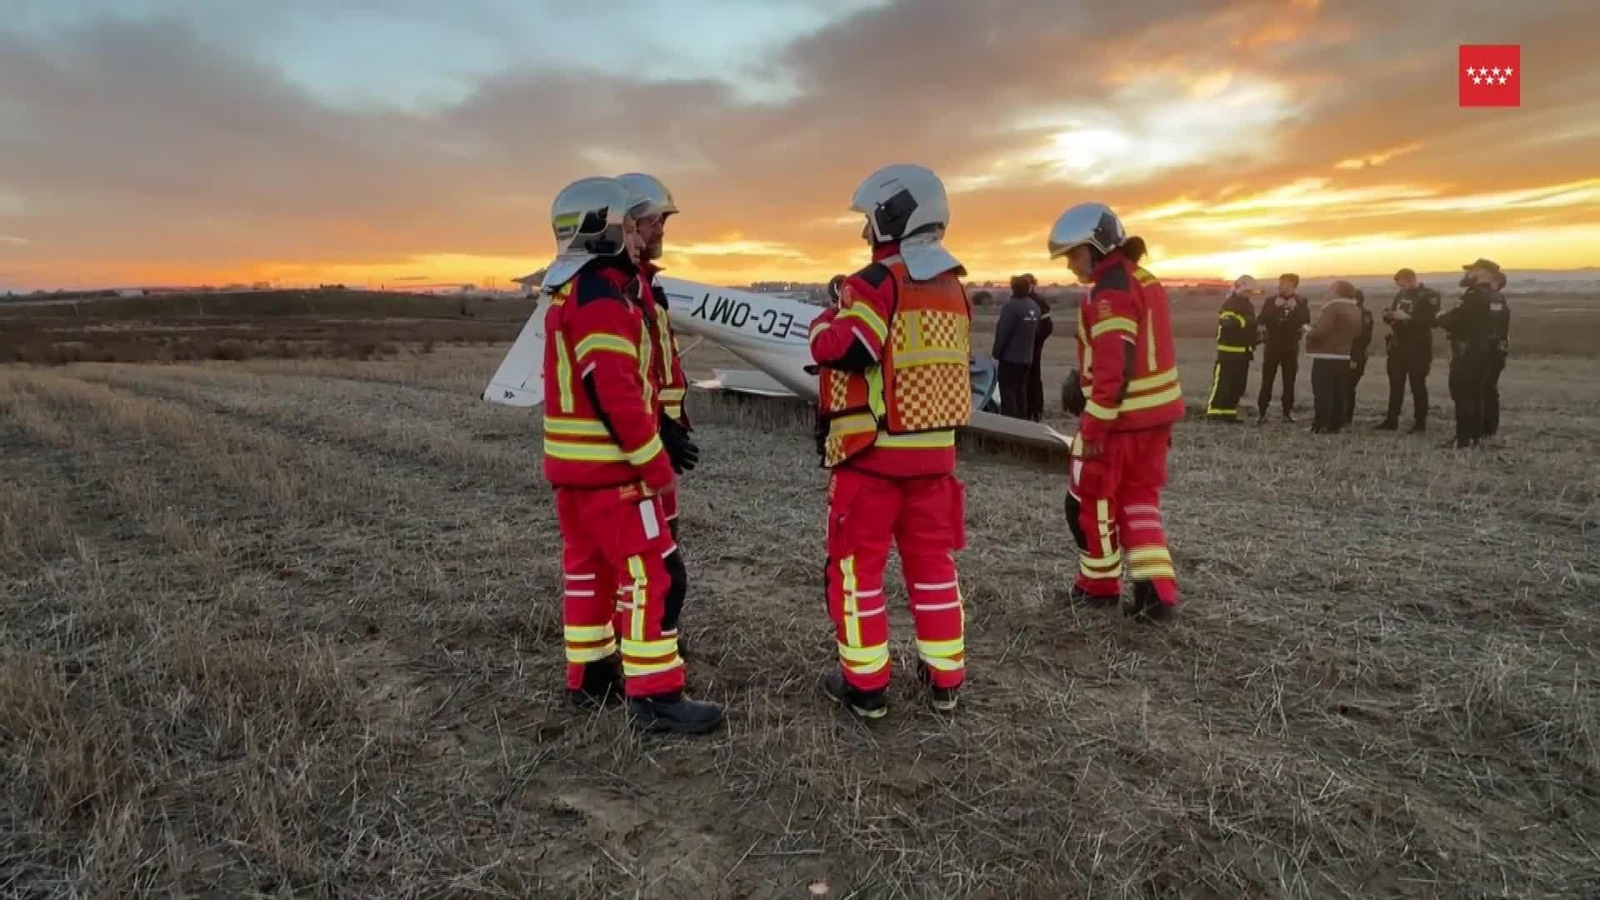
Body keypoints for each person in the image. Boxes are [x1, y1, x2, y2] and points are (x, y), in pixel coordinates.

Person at [539, 176, 722, 735]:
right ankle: (656, 694)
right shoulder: (602, 296)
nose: (643, 237)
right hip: (615, 473)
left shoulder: (576, 289)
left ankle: (591, 676)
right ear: (608, 230)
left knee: (588, 573)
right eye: (632, 226)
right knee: (655, 575)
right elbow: (615, 391)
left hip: (578, 476)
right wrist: (654, 467)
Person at [809, 164, 972, 718]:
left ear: (892, 216)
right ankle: (945, 679)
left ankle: (867, 688)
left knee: (858, 574)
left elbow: (851, 346)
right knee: (933, 570)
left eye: (869, 220)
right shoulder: (954, 287)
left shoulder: (876, 282)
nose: (864, 234)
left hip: (873, 460)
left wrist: (824, 320)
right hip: (936, 459)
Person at [1050, 202, 1184, 622]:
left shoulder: (1110, 293)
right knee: (1139, 502)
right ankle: (1155, 595)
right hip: (1154, 420)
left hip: (1120, 423)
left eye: (1074, 254)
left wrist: (1091, 428)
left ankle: (1098, 587)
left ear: (1096, 246)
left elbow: (1114, 369)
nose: (1071, 265)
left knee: (1090, 501)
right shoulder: (1142, 279)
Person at [615, 172, 701, 658]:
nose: (663, 227)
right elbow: (623, 378)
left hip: (657, 446)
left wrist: (670, 425)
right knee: (653, 563)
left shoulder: (647, 286)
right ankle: (647, 653)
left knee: (664, 544)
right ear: (626, 222)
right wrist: (659, 428)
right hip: (640, 449)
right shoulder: (622, 291)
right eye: (655, 218)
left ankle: (649, 638)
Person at [1437, 258, 1508, 449]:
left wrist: (1441, 317)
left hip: (1468, 353)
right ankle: (1475, 436)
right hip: (1487, 353)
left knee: (1463, 395)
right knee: (1477, 395)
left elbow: (1453, 320)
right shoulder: (1497, 298)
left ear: (1483, 272)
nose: (1467, 274)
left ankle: (1463, 439)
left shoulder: (1473, 296)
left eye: (1471, 271)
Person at [1377, 268, 1441, 433]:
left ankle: (1420, 423)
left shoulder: (1429, 295)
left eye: (1403, 284)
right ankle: (1391, 420)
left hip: (1418, 347)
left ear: (1412, 279)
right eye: (1399, 286)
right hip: (1398, 345)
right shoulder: (1400, 295)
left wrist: (1409, 319)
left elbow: (1432, 320)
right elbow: (1394, 314)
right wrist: (1389, 315)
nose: (1401, 288)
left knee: (1417, 385)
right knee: (1395, 385)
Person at [1304, 281, 1364, 433]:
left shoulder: (1332, 307)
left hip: (1326, 354)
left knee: (1322, 390)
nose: (1328, 291)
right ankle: (1336, 424)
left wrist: (1308, 333)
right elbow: (1357, 332)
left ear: (1338, 292)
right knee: (1339, 391)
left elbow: (1322, 330)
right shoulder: (1355, 308)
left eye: (1331, 288)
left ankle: (1320, 424)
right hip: (1344, 356)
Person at [1255, 273, 1310, 423]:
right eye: (1280, 282)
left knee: (1289, 380)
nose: (1281, 285)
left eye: (1285, 283)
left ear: (1293, 285)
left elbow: (1305, 321)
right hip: (1272, 345)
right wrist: (1275, 308)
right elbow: (1261, 319)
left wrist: (1295, 309)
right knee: (1267, 379)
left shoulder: (1301, 301)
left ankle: (1287, 413)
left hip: (1291, 346)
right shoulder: (1271, 301)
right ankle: (1262, 413)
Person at [1205, 275, 1260, 423]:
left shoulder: (1247, 305)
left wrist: (1257, 336)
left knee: (1237, 385)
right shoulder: (1230, 303)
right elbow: (1227, 321)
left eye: (1250, 292)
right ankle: (1215, 414)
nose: (1248, 294)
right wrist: (1246, 322)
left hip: (1243, 352)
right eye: (1246, 291)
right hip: (1228, 351)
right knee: (1223, 383)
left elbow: (1250, 324)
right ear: (1239, 288)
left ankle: (1229, 413)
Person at [993, 275, 1040, 418]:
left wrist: (996, 353)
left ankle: (1010, 423)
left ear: (1013, 288)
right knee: (1021, 392)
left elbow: (1003, 332)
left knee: (1008, 392)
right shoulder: (1034, 307)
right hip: (1026, 358)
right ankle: (1022, 421)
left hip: (1010, 359)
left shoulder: (1011, 307)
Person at [1483, 270, 1512, 438]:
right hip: (1496, 350)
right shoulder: (1499, 300)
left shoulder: (1495, 301)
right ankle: (1488, 426)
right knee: (1488, 389)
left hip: (1492, 351)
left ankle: (1488, 426)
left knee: (1487, 389)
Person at [1024, 273, 1053, 422]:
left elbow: (1048, 327)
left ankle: (1036, 409)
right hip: (1023, 345)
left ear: (1033, 284)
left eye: (1029, 283)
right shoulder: (1023, 300)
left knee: (1034, 375)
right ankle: (1027, 408)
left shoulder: (1040, 302)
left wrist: (1035, 340)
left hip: (1034, 345)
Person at [1346, 288, 1374, 426]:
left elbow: (1364, 338)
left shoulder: (1364, 315)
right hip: (1345, 354)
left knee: (1348, 387)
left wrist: (1354, 358)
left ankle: (1346, 418)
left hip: (1355, 356)